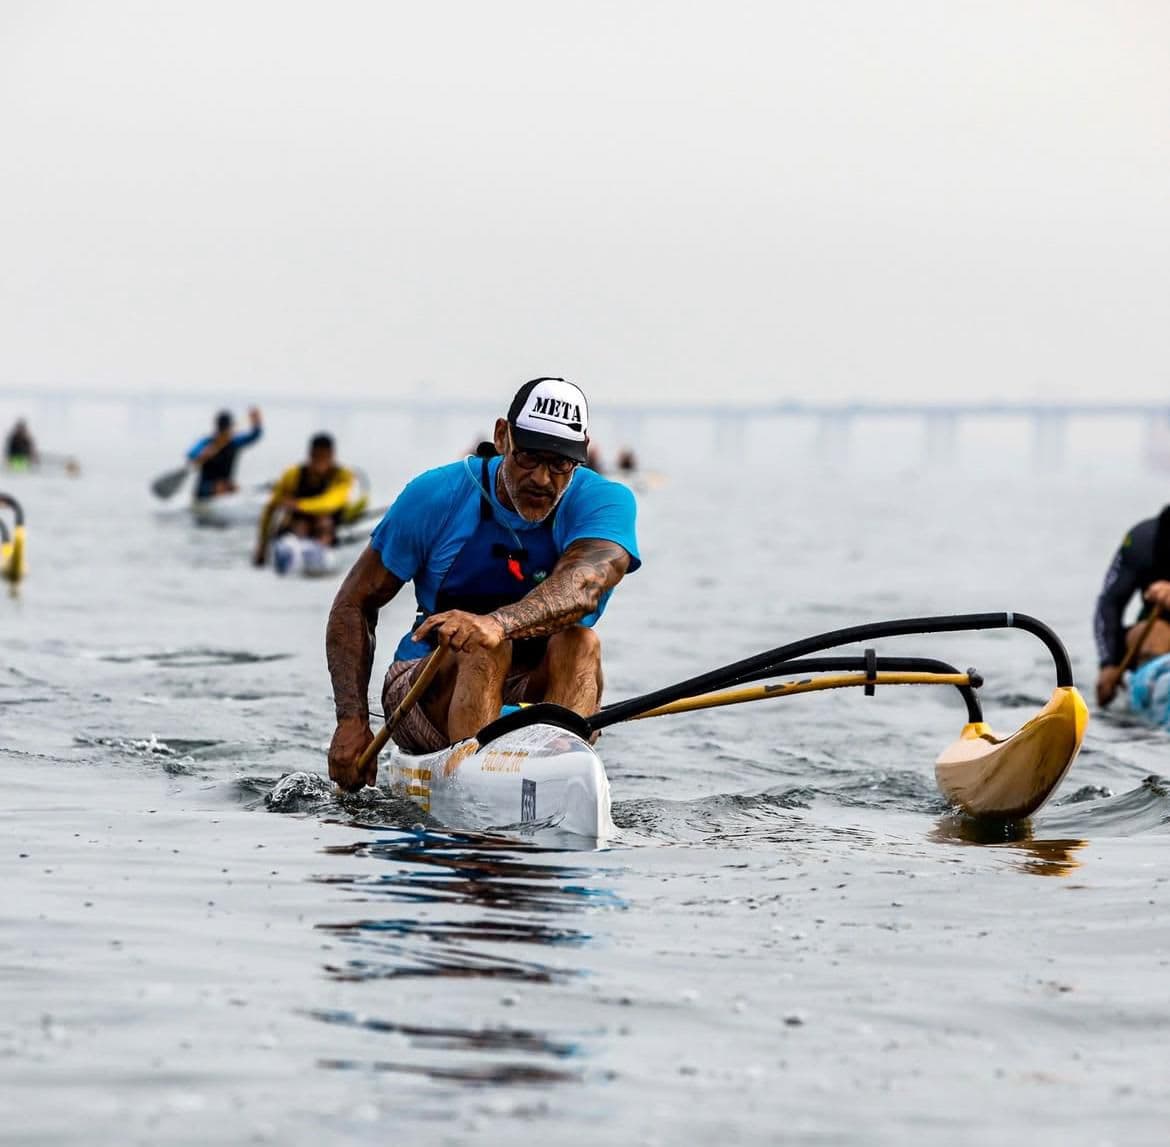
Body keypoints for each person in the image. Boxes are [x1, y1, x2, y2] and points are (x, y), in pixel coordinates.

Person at [326, 377, 640, 791]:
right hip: (424, 685)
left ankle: (561, 777)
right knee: (486, 647)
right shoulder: (435, 495)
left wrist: (497, 623)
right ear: (502, 436)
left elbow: (585, 585)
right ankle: (476, 786)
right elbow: (354, 604)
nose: (543, 479)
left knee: (580, 644)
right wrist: (352, 721)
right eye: (529, 457)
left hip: (532, 682)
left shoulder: (604, 501)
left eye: (560, 464)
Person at [1094, 506, 1170, 706]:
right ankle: (1151, 697)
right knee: (1151, 635)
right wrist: (1108, 663)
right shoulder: (1142, 540)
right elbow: (1109, 604)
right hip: (1160, 629)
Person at [253, 433, 357, 569]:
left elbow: (331, 503)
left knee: (324, 520)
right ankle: (291, 549)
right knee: (300, 524)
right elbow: (270, 509)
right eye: (316, 457)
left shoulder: (343, 475)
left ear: (332, 456)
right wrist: (262, 545)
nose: (320, 462)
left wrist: (298, 505)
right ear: (310, 455)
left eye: (324, 457)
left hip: (324, 526)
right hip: (297, 526)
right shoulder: (292, 475)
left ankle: (320, 548)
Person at [187, 408, 263, 499]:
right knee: (223, 487)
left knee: (231, 486)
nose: (225, 433)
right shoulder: (206, 442)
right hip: (204, 489)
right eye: (222, 430)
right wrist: (201, 454)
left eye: (226, 429)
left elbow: (254, 435)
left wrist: (256, 422)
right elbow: (191, 454)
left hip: (226, 487)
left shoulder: (234, 442)